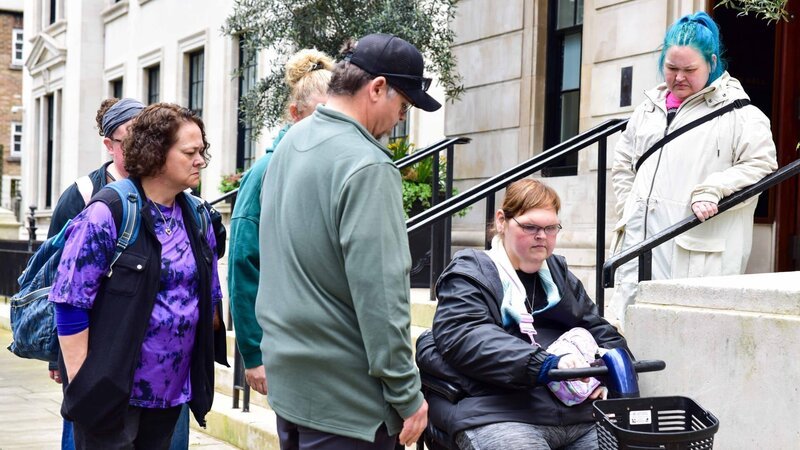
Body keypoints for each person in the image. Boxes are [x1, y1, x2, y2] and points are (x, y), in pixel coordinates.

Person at [256, 33, 441, 449]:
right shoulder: (368, 165)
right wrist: (408, 396)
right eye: (404, 105)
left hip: (293, 388)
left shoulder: (291, 144)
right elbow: (382, 296)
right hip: (349, 406)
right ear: (377, 88)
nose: (400, 117)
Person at [50, 103, 227, 449]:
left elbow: (209, 299)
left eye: (202, 151)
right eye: (190, 152)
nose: (201, 161)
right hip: (112, 395)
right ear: (156, 154)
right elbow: (69, 302)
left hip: (171, 396)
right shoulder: (107, 213)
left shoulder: (198, 217)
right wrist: (86, 387)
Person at [416, 179, 629, 450]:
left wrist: (603, 375)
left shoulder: (559, 275)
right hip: (500, 414)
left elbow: (599, 329)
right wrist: (548, 364)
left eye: (551, 228)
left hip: (576, 414)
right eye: (530, 227)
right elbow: (468, 335)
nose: (542, 236)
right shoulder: (471, 272)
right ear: (502, 221)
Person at [609, 11, 778, 325]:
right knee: (628, 334)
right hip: (638, 245)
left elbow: (762, 166)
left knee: (679, 339)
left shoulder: (740, 114)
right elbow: (623, 164)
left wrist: (713, 189)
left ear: (712, 63)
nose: (678, 78)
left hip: (693, 253)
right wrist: (628, 206)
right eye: (671, 68)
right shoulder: (648, 109)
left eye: (689, 69)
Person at [228, 48, 333, 396]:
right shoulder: (262, 174)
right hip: (284, 346)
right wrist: (253, 354)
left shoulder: (335, 168)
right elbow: (243, 265)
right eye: (319, 114)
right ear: (294, 113)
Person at [46, 97, 144, 450]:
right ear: (109, 145)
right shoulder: (83, 194)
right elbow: (58, 280)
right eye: (130, 138)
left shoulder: (167, 191)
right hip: (89, 342)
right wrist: (60, 355)